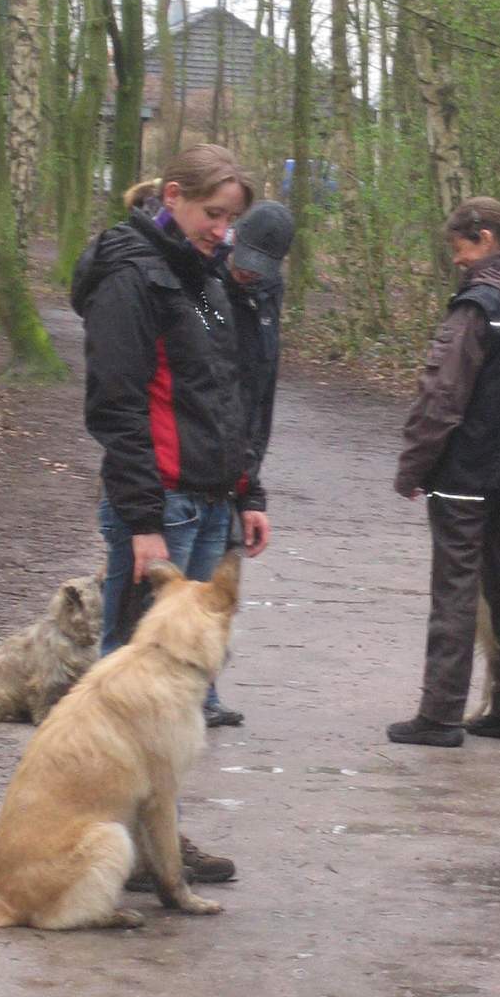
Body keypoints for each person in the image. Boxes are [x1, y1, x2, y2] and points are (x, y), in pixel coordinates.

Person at [70, 143, 269, 883]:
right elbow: (117, 408)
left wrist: (248, 492)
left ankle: (157, 840)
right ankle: (114, 836)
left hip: (211, 500)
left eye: (231, 219)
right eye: (213, 214)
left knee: (177, 698)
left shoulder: (203, 274)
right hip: (161, 506)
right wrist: (143, 522)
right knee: (129, 682)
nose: (223, 230)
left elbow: (224, 392)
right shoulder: (131, 276)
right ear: (174, 196)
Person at [387, 197, 500, 747]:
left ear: (485, 238)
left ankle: (440, 715)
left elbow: (442, 394)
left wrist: (414, 465)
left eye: (459, 247)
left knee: (455, 591)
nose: (457, 259)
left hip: (465, 474)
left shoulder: (479, 305)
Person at [204, 199, 296, 728]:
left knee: (220, 583)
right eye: (243, 260)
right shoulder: (203, 286)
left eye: (260, 267)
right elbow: (209, 381)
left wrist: (251, 491)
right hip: (196, 460)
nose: (247, 273)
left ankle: (205, 690)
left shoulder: (267, 295)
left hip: (235, 466)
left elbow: (260, 396)